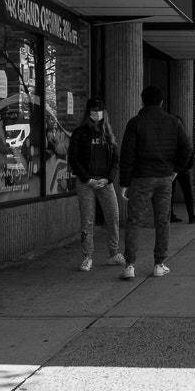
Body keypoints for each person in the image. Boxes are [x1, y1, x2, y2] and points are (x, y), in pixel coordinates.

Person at [118, 85, 191, 280]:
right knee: (162, 221)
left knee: (134, 221)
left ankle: (130, 265)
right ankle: (159, 264)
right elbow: (186, 148)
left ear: (142, 101)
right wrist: (175, 170)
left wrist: (124, 182)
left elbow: (127, 155)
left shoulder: (135, 123)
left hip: (141, 178)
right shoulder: (173, 122)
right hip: (164, 177)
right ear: (161, 102)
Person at [67, 98, 125, 272]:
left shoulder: (108, 133)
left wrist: (108, 179)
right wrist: (88, 179)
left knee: (113, 217)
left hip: (105, 182)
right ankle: (87, 257)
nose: (96, 113)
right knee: (87, 220)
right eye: (93, 110)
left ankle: (114, 254)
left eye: (99, 110)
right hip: (86, 183)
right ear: (88, 112)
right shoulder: (80, 132)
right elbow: (74, 159)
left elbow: (115, 160)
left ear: (104, 112)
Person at [171, 117, 195, 224]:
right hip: (183, 168)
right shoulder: (184, 136)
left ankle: (170, 215)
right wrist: (189, 166)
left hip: (171, 168)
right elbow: (189, 151)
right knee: (188, 193)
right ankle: (191, 215)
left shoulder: (169, 136)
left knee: (170, 193)